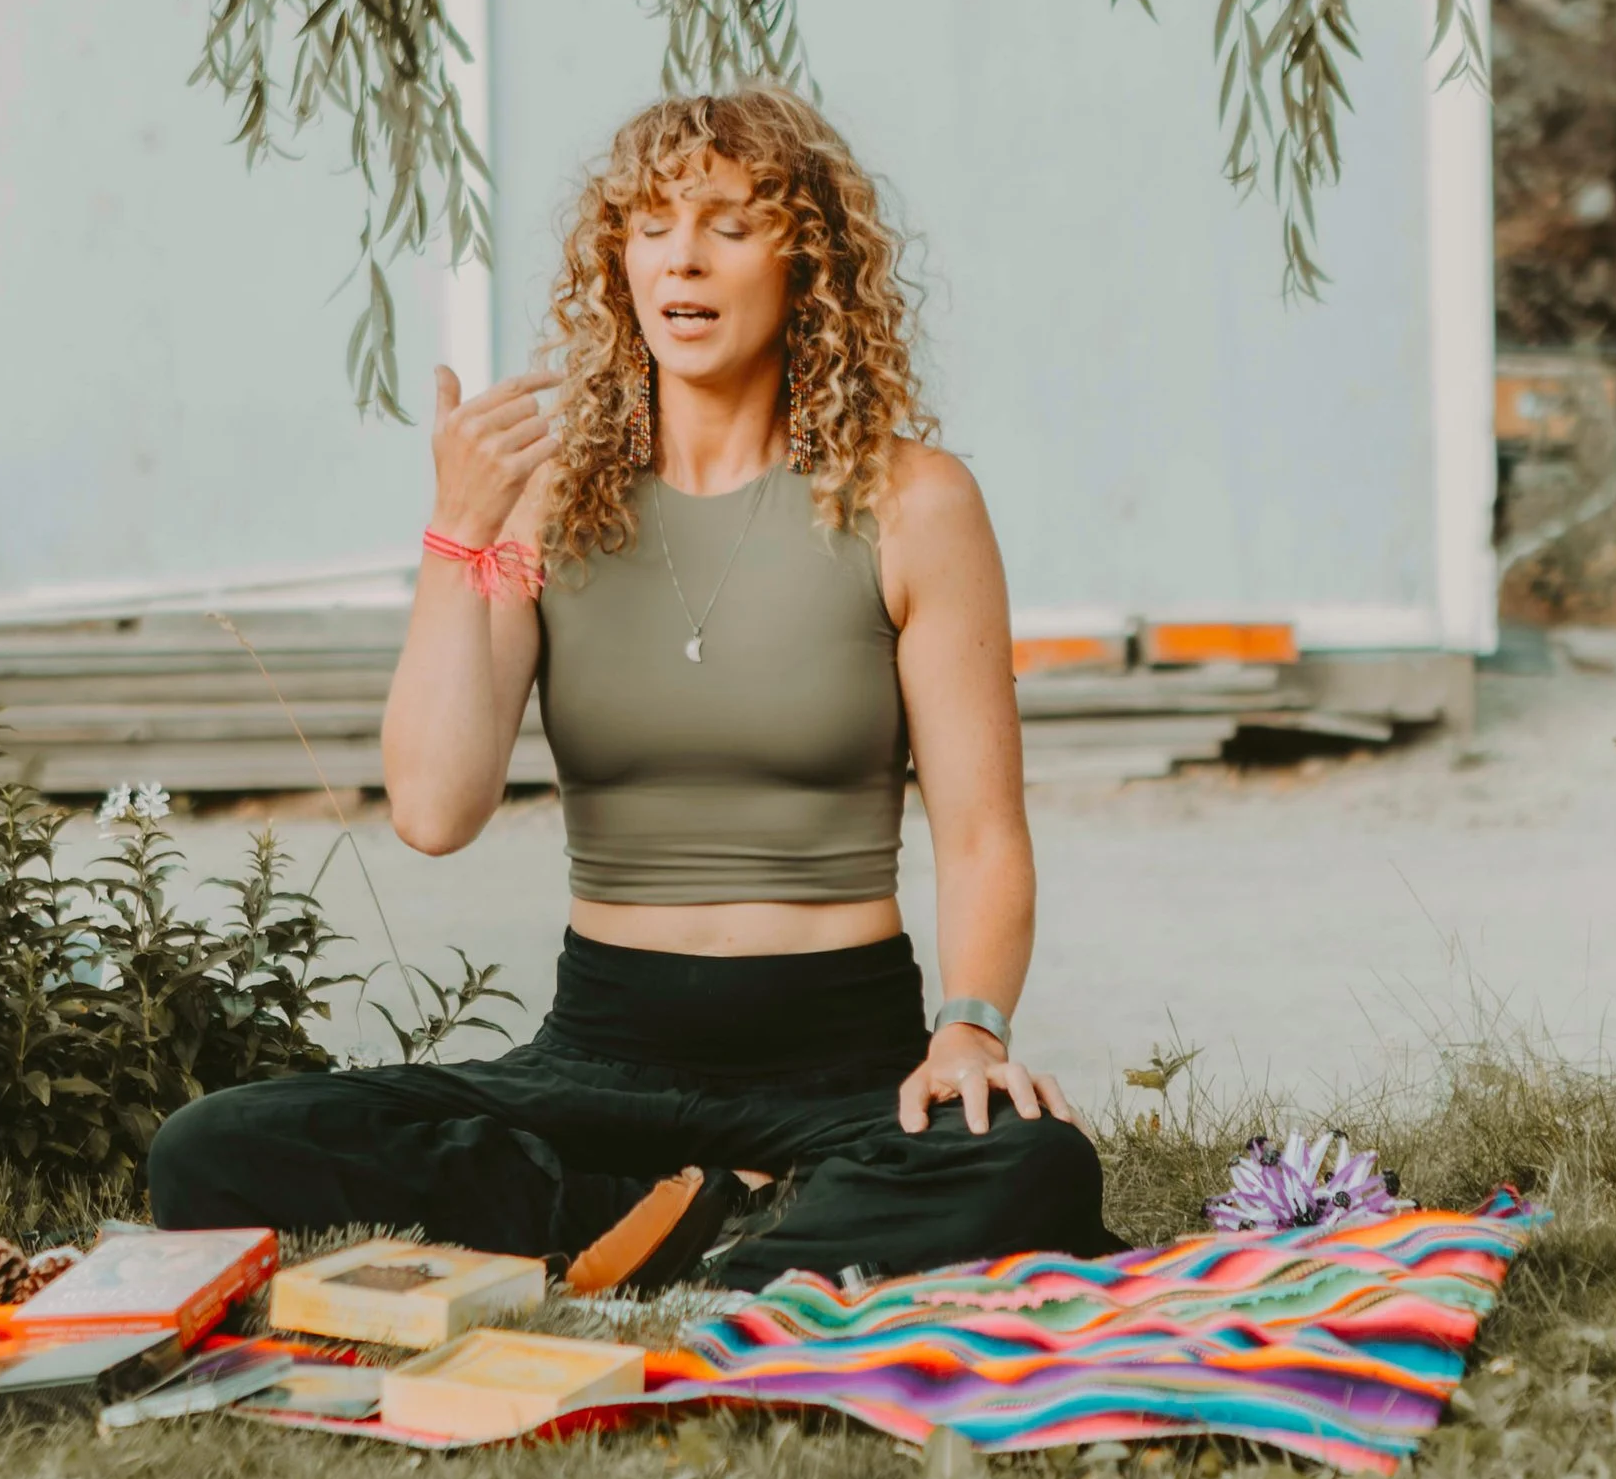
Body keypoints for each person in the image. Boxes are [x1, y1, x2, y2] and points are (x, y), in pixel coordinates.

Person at [150, 85, 1110, 1289]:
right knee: (214, 1146)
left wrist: (968, 1029)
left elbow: (981, 832)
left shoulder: (914, 502)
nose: (682, 257)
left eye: (725, 222)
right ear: (617, 262)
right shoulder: (549, 504)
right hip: (599, 1050)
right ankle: (709, 1227)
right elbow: (434, 809)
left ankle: (668, 1238)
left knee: (1035, 1162)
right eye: (651, 224)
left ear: (806, 259)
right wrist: (458, 533)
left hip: (838, 1057)